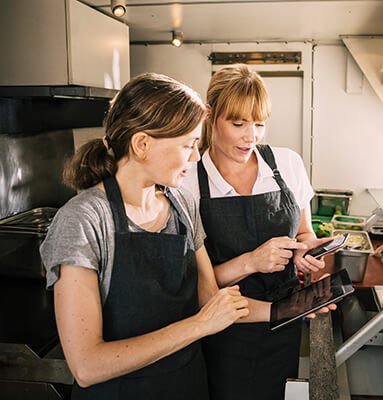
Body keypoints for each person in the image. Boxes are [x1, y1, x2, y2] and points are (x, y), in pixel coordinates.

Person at [40, 73, 249, 399]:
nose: (195, 157)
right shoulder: (84, 220)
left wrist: (289, 309)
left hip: (187, 386)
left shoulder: (182, 204)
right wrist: (198, 326)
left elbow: (209, 298)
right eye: (188, 144)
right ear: (142, 145)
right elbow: (86, 366)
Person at [185, 64, 333, 400]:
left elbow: (304, 232)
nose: (250, 136)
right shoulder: (189, 181)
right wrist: (251, 261)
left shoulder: (288, 164)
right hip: (223, 329)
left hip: (285, 318)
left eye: (259, 124)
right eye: (237, 123)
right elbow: (193, 283)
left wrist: (306, 252)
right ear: (210, 116)